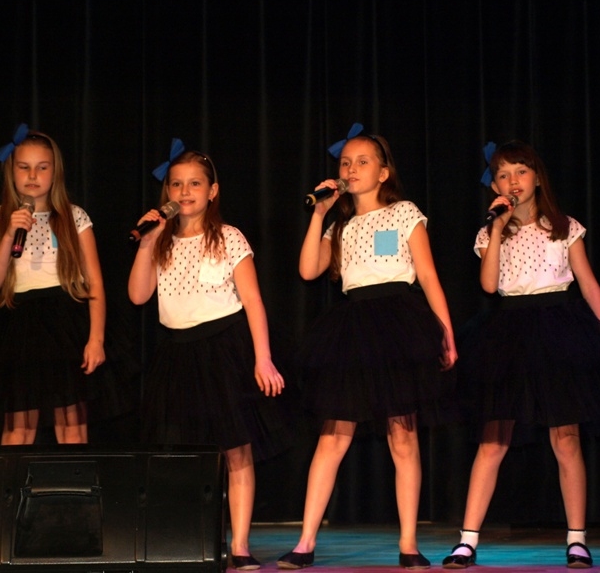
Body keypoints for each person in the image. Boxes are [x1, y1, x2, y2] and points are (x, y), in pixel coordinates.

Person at [277, 123, 457, 570]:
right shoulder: (339, 224)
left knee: (403, 435)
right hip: (353, 328)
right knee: (333, 435)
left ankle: (409, 543)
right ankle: (305, 542)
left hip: (397, 324)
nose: (351, 169)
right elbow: (308, 271)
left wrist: (445, 331)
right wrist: (320, 214)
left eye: (362, 162)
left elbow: (428, 274)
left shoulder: (403, 213)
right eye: (345, 163)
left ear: (383, 172)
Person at [128, 139, 288, 572]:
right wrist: (146, 243)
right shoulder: (160, 241)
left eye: (194, 183)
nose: (184, 192)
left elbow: (253, 301)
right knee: (184, 455)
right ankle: (192, 540)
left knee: (236, 450)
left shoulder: (228, 237)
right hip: (176, 354)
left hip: (223, 351)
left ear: (212, 190)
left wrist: (263, 358)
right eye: (176, 184)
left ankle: (241, 545)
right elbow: (138, 295)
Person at [442, 140, 600, 570]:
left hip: (558, 330)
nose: (513, 180)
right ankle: (467, 541)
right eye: (503, 174)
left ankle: (577, 539)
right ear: (494, 185)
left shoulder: (565, 226)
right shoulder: (489, 232)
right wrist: (496, 228)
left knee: (566, 437)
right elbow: (489, 285)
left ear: (537, 178)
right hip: (508, 333)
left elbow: (587, 283)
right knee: (493, 439)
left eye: (521, 171)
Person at [0, 124, 106, 444]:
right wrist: (9, 233)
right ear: (12, 171)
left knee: (72, 423)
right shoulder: (3, 216)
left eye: (42, 167)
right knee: (18, 426)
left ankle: (73, 479)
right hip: (19, 323)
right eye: (24, 167)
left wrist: (96, 339)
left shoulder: (74, 217)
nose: (32, 175)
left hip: (65, 324)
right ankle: (10, 479)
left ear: (55, 171)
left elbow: (94, 283)